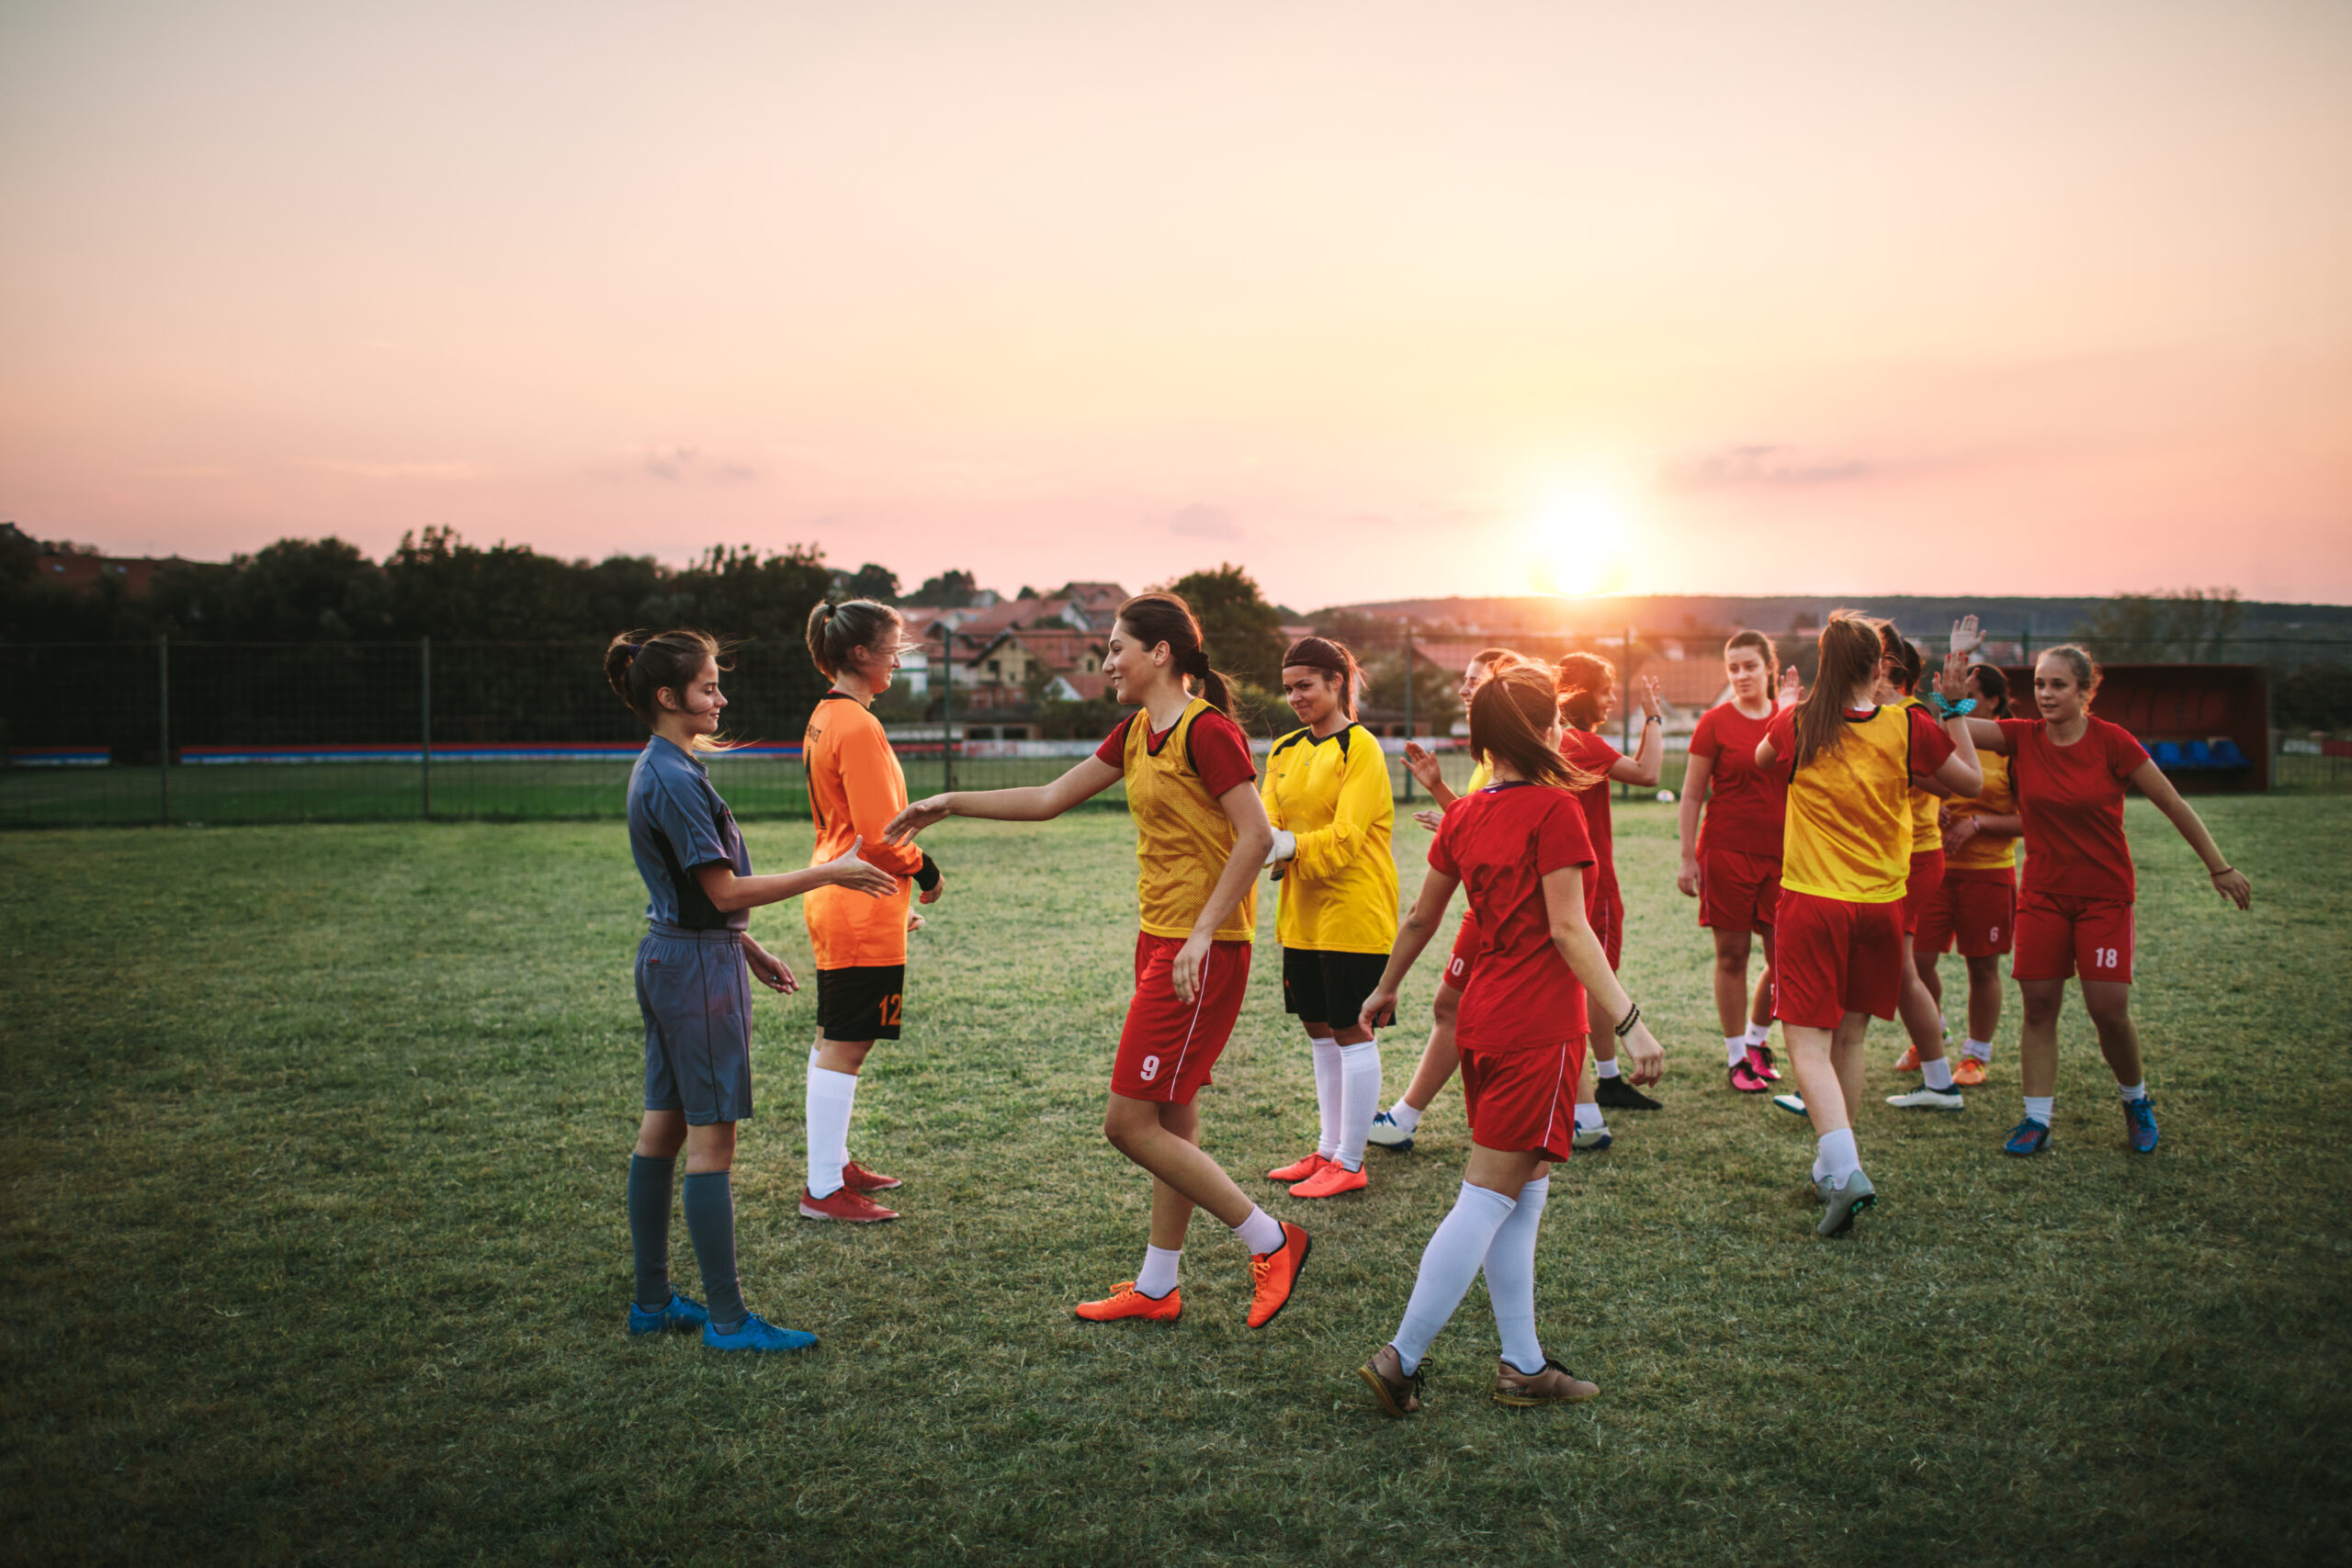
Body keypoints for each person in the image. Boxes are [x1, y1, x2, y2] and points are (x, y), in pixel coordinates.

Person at [884, 591, 1312, 1327]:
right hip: (1162, 939)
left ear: (1161, 654)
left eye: (1116, 647)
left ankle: (1273, 1239)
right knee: (1172, 1118)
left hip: (1202, 948)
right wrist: (951, 801)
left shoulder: (1209, 733)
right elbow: (1051, 796)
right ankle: (1157, 1285)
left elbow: (1256, 836)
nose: (1106, 660)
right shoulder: (1138, 731)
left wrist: (1206, 930)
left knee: (1127, 1123)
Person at [1352, 665, 1667, 1416]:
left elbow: (1423, 920)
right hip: (1537, 1031)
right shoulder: (1557, 811)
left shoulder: (1466, 814)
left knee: (1522, 1194)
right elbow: (1569, 928)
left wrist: (1387, 984)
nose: (1564, 730)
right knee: (1487, 1198)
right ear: (1541, 730)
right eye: (1555, 718)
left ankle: (1523, 1364)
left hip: (1487, 1025)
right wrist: (1629, 1019)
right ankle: (1402, 1358)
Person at [605, 628, 897, 1353]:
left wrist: (748, 943)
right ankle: (730, 1321)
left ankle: (651, 1301)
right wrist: (831, 871)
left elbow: (699, 895)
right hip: (695, 971)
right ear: (670, 698)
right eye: (708, 687)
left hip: (683, 953)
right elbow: (725, 886)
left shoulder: (664, 766)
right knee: (710, 1145)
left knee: (663, 1129)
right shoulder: (671, 776)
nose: (721, 698)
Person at [1952, 642, 2253, 1156]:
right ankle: (2036, 1119)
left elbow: (2171, 802)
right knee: (2039, 1006)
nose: (2045, 694)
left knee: (2108, 1011)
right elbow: (1950, 733)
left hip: (2104, 897)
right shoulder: (2022, 738)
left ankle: (2135, 1101)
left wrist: (2218, 866)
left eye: (2058, 685)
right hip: (2043, 895)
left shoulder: (2114, 742)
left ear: (2086, 691)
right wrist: (1954, 697)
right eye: (2041, 685)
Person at [1751, 613, 1983, 1236]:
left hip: (1813, 903)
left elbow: (1761, 755)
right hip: (1882, 905)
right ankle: (1834, 1166)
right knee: (1849, 1040)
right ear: (1880, 667)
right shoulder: (1909, 724)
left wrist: (1791, 703)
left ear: (1825, 665)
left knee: (1806, 1044)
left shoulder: (1800, 723)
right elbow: (1974, 780)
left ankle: (1845, 1168)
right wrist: (1954, 706)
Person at [798, 599, 947, 1223]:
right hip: (857, 898)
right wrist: (927, 870)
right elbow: (882, 834)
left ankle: (832, 1163)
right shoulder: (856, 724)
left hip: (848, 896)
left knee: (837, 1036)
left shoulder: (828, 715)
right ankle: (824, 1188)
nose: (898, 658)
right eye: (893, 648)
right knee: (848, 1043)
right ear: (860, 653)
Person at [1367, 648, 1527, 1153]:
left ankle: (1406, 1118)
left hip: (1498, 911)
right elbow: (1488, 821)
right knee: (1458, 1008)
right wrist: (1443, 796)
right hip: (1486, 905)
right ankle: (1581, 1116)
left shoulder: (1513, 760)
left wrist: (1455, 819)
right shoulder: (1491, 758)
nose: (1463, 689)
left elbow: (1503, 829)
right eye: (1464, 679)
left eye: (1475, 681)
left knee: (1460, 1009)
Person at [1260, 637, 1399, 1198]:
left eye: (1306, 686)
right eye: (1289, 687)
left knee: (1351, 1028)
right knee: (1318, 1029)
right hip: (1302, 912)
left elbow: (1344, 838)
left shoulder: (1361, 747)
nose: (1294, 697)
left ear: (1337, 683)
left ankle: (1351, 1161)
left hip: (1354, 911)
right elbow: (1264, 824)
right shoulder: (1284, 750)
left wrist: (1279, 844)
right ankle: (1327, 1151)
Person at [1552, 653, 1667, 1146]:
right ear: (1580, 694)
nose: (1612, 698)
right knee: (1597, 982)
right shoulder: (1583, 743)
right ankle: (1594, 1090)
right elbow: (1648, 773)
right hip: (1591, 881)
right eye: (1605, 690)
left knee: (1581, 983)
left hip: (1559, 879)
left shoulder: (1552, 741)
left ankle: (1606, 1080)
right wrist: (1653, 716)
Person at [1676, 630, 1787, 1094]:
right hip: (1725, 853)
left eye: (1749, 667)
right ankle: (1737, 1057)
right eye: (1733, 668)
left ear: (1769, 669)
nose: (1741, 676)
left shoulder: (1790, 717)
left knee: (1785, 958)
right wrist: (1687, 857)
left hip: (1785, 857)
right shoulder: (1715, 723)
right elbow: (1692, 793)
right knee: (1733, 956)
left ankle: (1759, 1040)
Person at [1875, 626, 1972, 1112]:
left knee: (1885, 966)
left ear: (1888, 668)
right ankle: (1939, 1081)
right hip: (1897, 856)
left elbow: (1951, 781)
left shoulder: (1909, 716)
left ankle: (1822, 1083)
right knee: (1898, 970)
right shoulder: (1886, 715)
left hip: (1914, 858)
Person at [1912, 662, 2021, 1088]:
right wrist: (1929, 800)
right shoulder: (1941, 739)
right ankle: (1931, 1038)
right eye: (1955, 695)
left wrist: (1977, 823)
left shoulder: (2011, 746)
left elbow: (2033, 819)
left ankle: (1976, 1055)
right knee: (1917, 963)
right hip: (1936, 870)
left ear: (1993, 702)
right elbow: (1917, 779)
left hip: (1989, 872)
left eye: (1969, 694)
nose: (1958, 701)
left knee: (1982, 968)